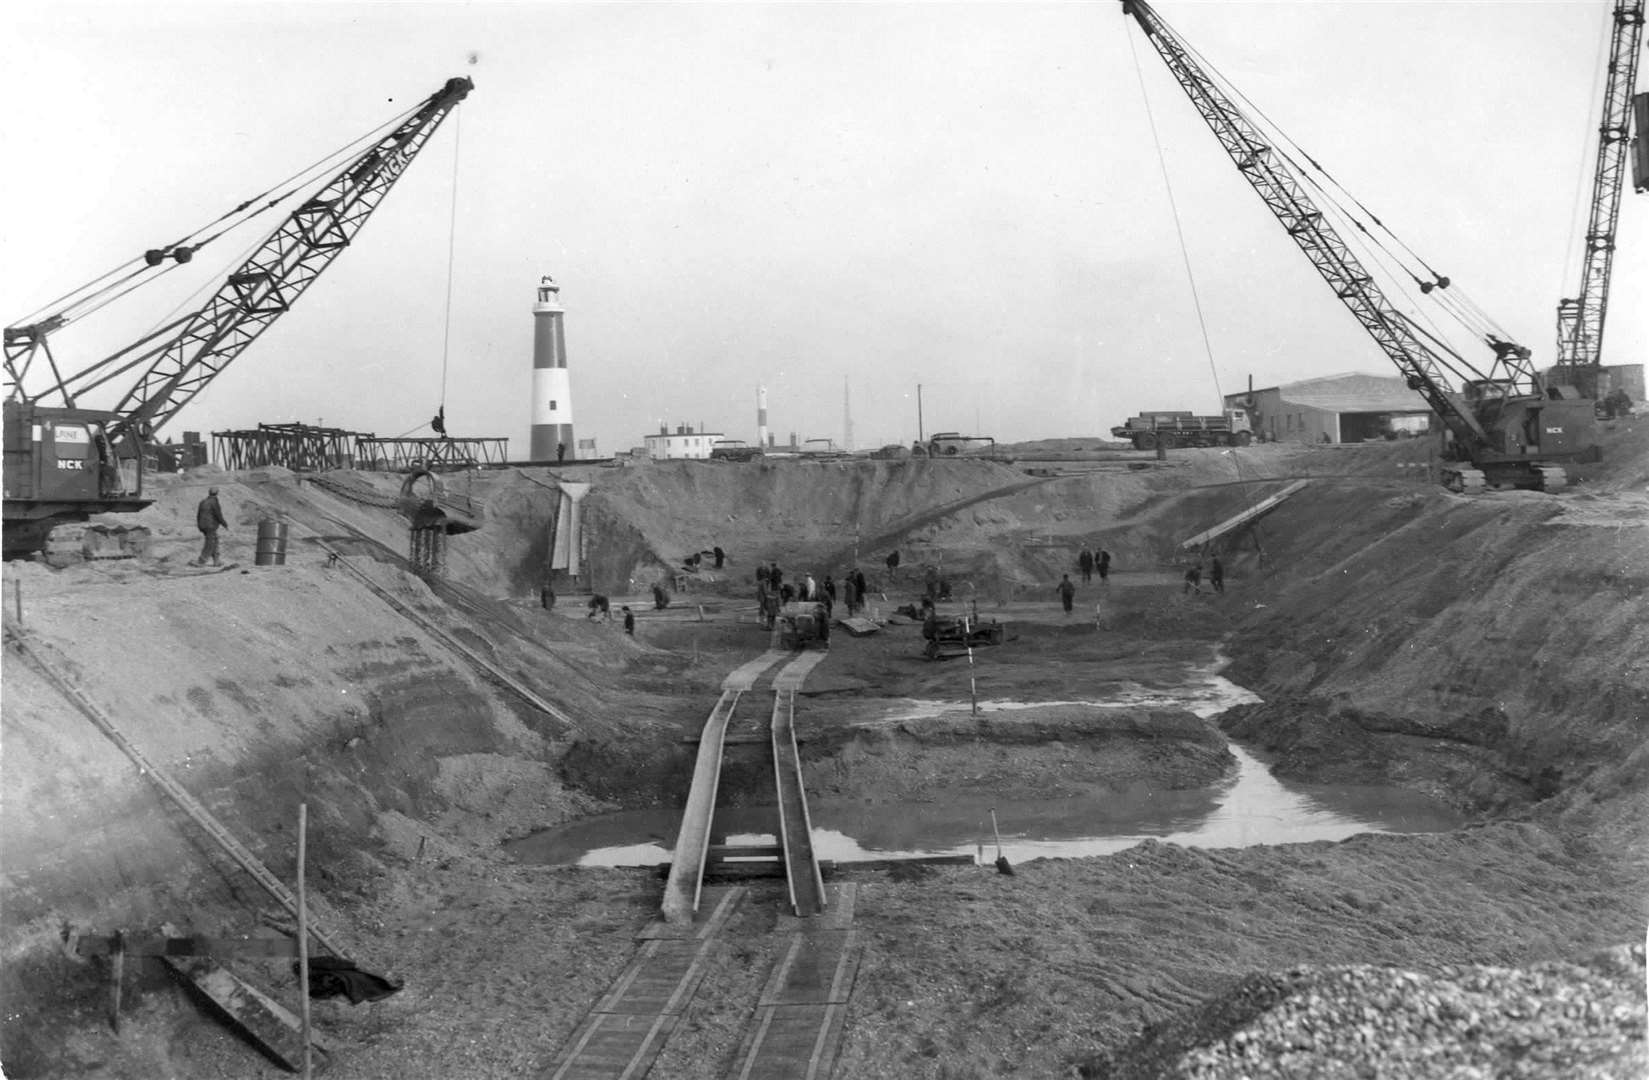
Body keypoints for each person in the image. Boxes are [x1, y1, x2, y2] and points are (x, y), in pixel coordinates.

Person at [193, 486, 228, 566]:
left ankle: (217, 560)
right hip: (210, 525)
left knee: (214, 540)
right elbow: (218, 515)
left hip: (203, 525)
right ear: (217, 493)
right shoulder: (214, 502)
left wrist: (199, 525)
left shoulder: (203, 501)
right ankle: (201, 561)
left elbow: (198, 515)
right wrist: (224, 524)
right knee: (210, 543)